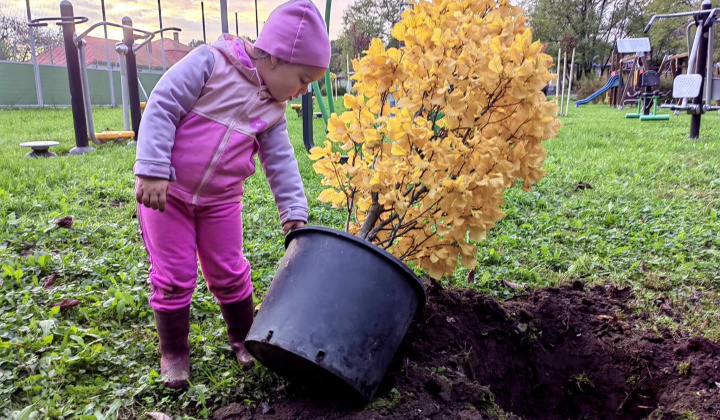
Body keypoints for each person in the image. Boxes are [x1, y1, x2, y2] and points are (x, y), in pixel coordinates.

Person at [133, 0, 330, 388]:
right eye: (303, 79)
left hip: (221, 202)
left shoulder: (273, 110)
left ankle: (243, 338)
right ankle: (174, 353)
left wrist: (293, 210)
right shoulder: (210, 63)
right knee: (174, 276)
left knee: (230, 270)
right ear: (276, 57)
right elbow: (163, 103)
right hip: (167, 194)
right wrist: (153, 169)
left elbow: (281, 162)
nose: (303, 91)